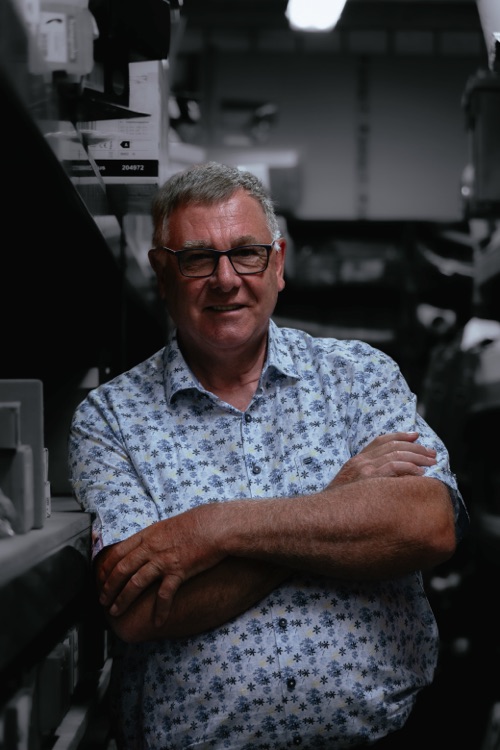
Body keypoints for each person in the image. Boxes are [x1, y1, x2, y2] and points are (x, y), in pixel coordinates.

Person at [68, 161, 468, 750]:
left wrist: (214, 530)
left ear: (277, 264)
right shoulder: (110, 418)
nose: (225, 279)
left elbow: (426, 525)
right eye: (197, 258)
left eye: (247, 254)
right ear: (161, 272)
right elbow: (141, 608)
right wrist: (335, 507)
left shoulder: (359, 375)